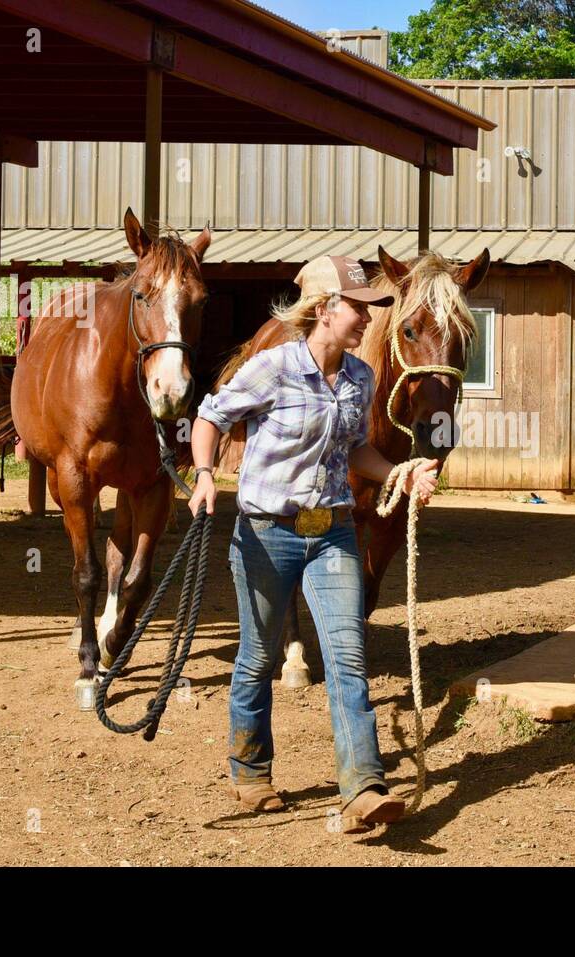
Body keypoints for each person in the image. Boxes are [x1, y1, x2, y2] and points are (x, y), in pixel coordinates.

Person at [188, 255, 439, 834]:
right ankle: (251, 770)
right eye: (360, 307)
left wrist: (402, 472)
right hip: (265, 533)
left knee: (349, 660)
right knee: (257, 656)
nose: (369, 318)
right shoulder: (271, 369)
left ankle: (363, 788)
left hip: (332, 533)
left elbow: (354, 450)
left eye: (374, 309)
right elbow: (210, 415)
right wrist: (204, 473)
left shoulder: (360, 378)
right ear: (325, 309)